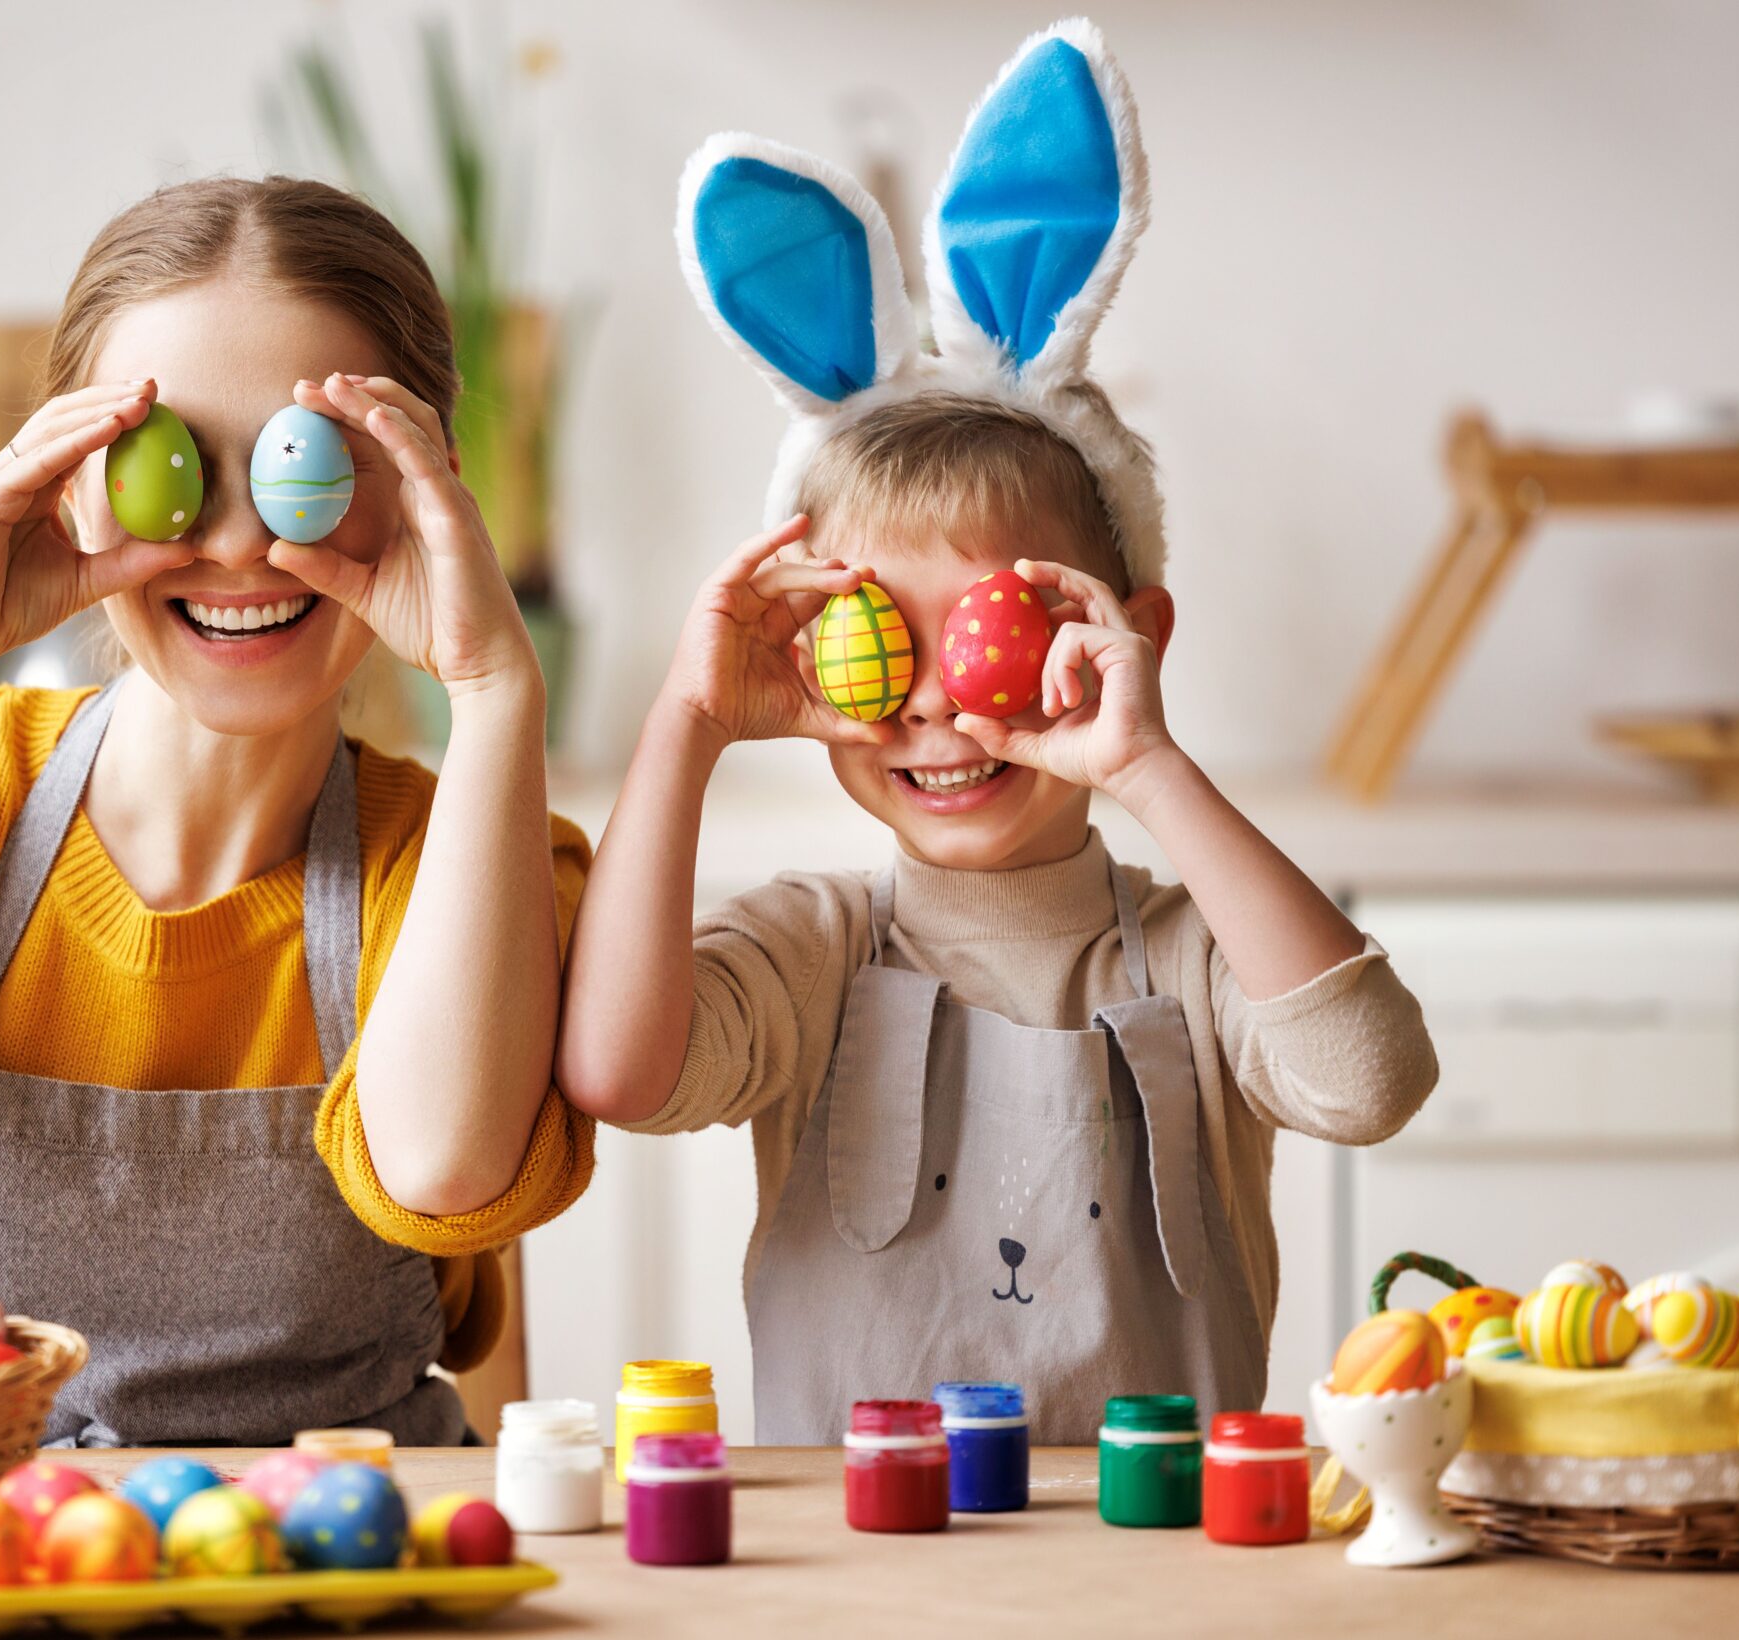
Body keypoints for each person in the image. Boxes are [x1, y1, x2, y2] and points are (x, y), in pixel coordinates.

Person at [557, 24, 1436, 1443]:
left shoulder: (1189, 949)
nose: (931, 706)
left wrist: (1151, 767)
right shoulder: (810, 946)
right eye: (876, 643)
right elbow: (620, 1077)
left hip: (1157, 1569)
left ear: (1126, 638)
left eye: (990, 639)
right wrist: (687, 724)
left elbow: (1370, 1080)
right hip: (860, 1572)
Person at [0, 176, 591, 1447]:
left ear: (423, 490)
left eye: (311, 463)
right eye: (171, 465)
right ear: (75, 473)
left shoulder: (467, 857)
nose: (240, 540)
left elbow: (447, 1172)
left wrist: (495, 686)